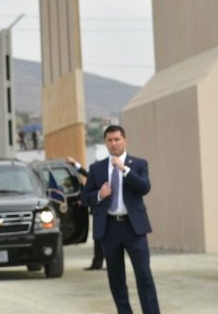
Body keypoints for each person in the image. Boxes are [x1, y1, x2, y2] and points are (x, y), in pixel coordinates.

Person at [82, 125, 160, 314]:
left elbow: (144, 187)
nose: (114, 143)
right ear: (105, 143)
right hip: (109, 229)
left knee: (144, 275)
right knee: (116, 279)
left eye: (117, 139)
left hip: (134, 229)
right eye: (110, 140)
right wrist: (100, 195)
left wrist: (124, 170)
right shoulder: (96, 168)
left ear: (125, 141)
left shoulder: (139, 164)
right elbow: (85, 197)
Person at [67, 155, 104, 271]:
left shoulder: (102, 179)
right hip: (97, 212)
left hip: (103, 213)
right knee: (98, 238)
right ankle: (97, 263)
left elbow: (87, 174)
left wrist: (75, 164)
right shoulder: (95, 180)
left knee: (102, 239)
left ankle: (101, 262)